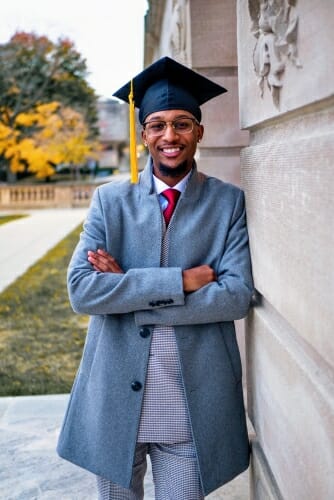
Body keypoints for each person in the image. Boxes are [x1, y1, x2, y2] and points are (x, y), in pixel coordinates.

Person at [57, 56, 254, 499]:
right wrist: (179, 283)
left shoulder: (227, 204)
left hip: (191, 400)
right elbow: (82, 290)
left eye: (183, 124)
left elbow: (235, 297)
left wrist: (125, 285)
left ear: (199, 131)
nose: (171, 136)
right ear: (143, 134)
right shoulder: (110, 202)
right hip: (114, 397)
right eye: (158, 125)